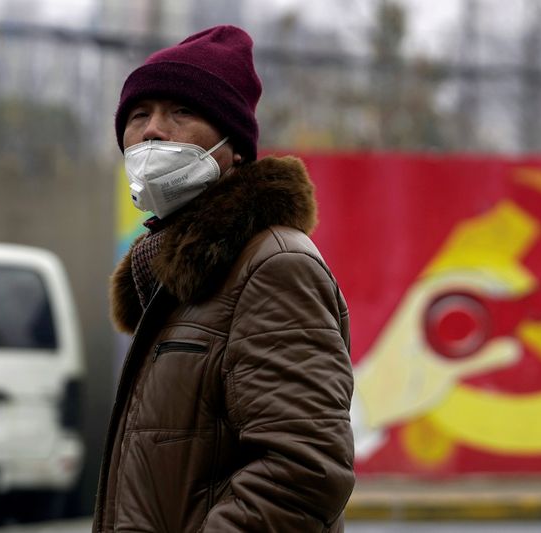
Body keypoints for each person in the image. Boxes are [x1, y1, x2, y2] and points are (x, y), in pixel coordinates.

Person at [92, 25, 355, 533]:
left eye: (181, 113)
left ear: (234, 147)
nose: (151, 131)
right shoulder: (170, 278)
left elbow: (303, 472)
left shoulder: (273, 266)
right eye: (139, 115)